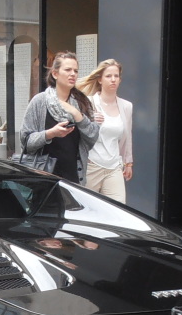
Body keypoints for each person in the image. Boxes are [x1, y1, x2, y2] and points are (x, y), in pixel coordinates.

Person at [16, 51, 99, 183]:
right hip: (44, 176)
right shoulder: (40, 101)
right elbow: (26, 142)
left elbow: (92, 137)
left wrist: (78, 115)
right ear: (55, 74)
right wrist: (50, 134)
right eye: (68, 70)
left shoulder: (82, 102)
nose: (73, 74)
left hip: (74, 177)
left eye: (76, 71)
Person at [77, 58, 134, 202]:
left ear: (120, 79)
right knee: (88, 210)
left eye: (116, 76)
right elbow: (76, 129)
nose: (113, 79)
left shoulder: (126, 106)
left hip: (114, 166)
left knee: (119, 210)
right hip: (91, 165)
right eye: (108, 76)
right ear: (100, 80)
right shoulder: (88, 103)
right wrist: (89, 120)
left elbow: (128, 136)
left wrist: (128, 162)